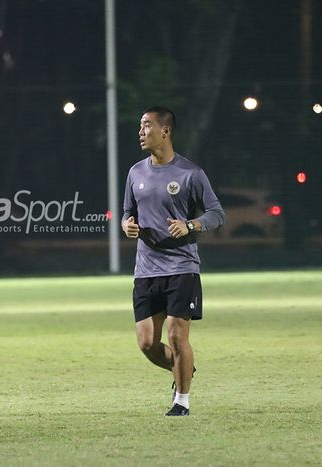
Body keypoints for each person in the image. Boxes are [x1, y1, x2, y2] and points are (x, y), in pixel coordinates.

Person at [122, 106, 225, 416]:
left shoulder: (190, 173)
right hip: (146, 271)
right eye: (140, 126)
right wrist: (126, 224)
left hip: (182, 268)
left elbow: (216, 214)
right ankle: (184, 369)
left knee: (177, 336)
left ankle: (182, 401)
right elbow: (127, 212)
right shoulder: (135, 172)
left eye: (146, 126)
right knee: (147, 344)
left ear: (164, 131)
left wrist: (190, 225)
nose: (140, 132)